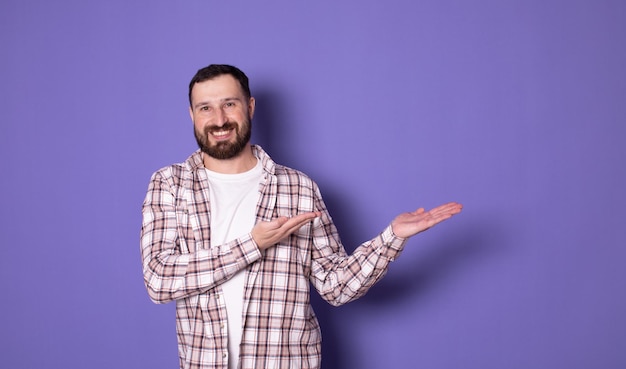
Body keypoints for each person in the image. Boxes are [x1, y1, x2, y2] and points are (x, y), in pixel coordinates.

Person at [140, 64, 463, 369]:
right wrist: (253, 244)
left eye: (229, 104)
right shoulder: (170, 183)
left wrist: (391, 238)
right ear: (192, 115)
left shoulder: (298, 188)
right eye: (205, 108)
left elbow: (336, 286)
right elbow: (158, 279)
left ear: (250, 107)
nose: (219, 119)